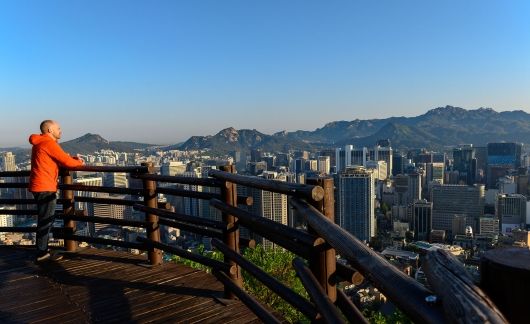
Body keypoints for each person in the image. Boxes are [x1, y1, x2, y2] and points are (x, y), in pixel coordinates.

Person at [29, 120, 84, 262]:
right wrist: (79, 162)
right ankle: (42, 253)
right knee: (46, 220)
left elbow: (59, 159)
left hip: (39, 185)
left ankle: (42, 251)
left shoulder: (40, 142)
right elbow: (67, 163)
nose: (61, 131)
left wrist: (71, 158)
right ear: (49, 130)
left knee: (45, 219)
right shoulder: (48, 143)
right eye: (58, 128)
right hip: (45, 186)